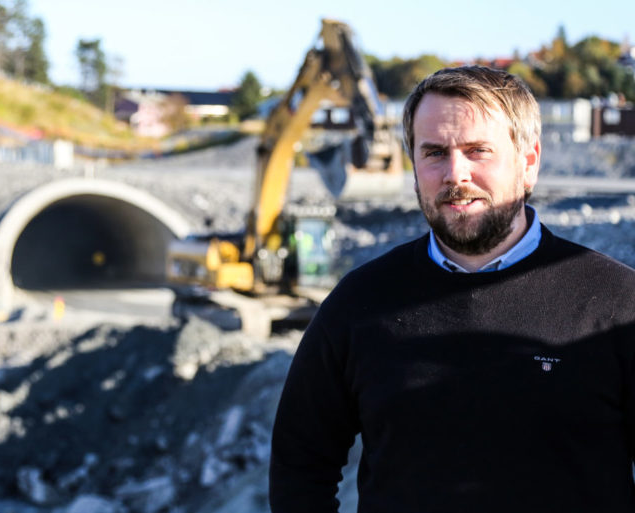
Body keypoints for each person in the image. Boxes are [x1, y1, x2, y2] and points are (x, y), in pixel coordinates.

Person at [269, 65, 635, 513]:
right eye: (435, 152)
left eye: (478, 151)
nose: (455, 174)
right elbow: (299, 465)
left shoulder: (617, 303)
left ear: (530, 162)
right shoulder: (359, 304)